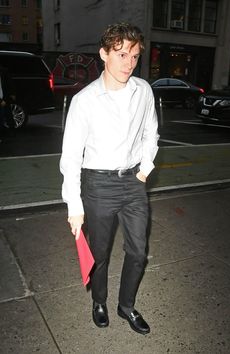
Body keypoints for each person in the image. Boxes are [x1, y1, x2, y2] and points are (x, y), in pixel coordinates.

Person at [60, 22, 159, 335]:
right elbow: (71, 157)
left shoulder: (143, 90)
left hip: (133, 182)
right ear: (104, 53)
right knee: (99, 254)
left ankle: (126, 305)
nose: (128, 64)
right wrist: (74, 205)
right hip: (98, 185)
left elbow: (151, 132)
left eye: (133, 57)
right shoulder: (85, 101)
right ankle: (99, 301)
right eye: (121, 55)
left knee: (138, 252)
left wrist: (145, 168)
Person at [0, 65, 15, 130]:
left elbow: (9, 82)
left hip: (5, 96)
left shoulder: (3, 71)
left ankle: (11, 128)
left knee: (8, 113)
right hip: (1, 99)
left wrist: (12, 93)